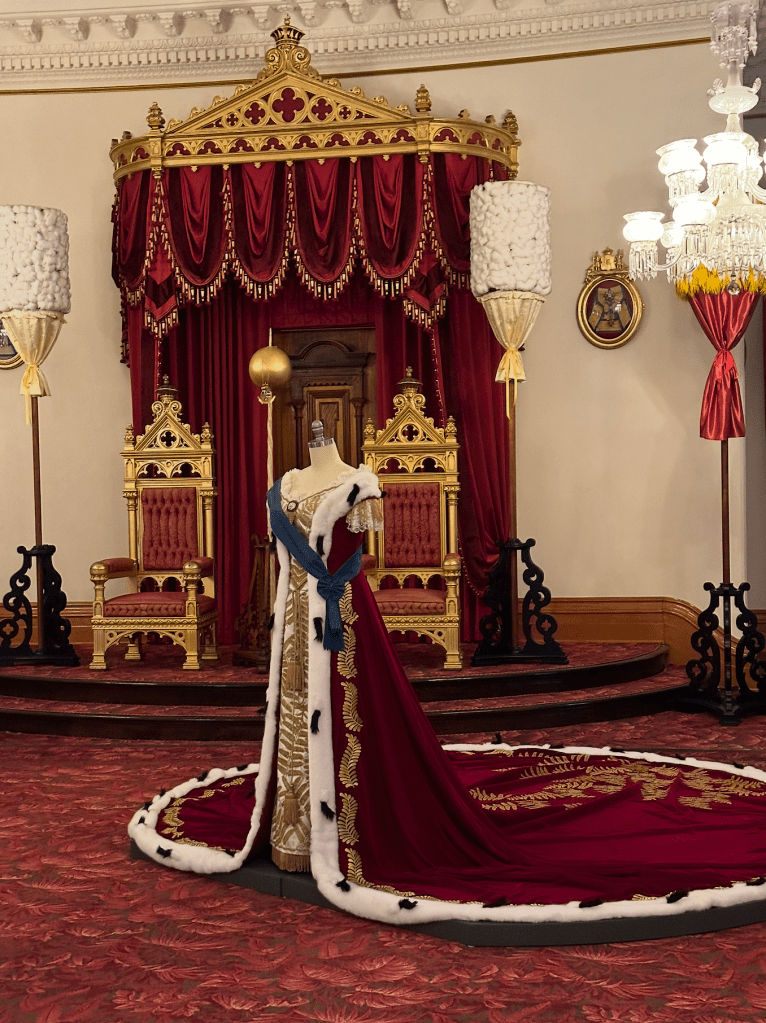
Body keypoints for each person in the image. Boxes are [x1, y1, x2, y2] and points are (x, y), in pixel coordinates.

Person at [130, 426, 766, 928]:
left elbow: (355, 556)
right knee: (293, 714)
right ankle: (290, 829)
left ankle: (343, 830)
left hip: (343, 620)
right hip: (293, 624)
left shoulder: (360, 484)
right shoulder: (285, 485)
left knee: (360, 722)